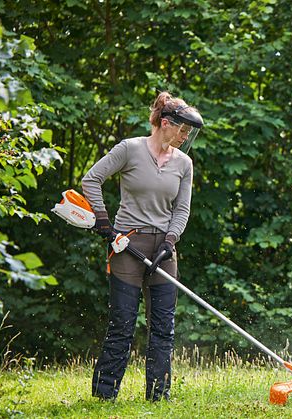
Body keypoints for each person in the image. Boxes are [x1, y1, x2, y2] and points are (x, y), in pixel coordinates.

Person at [82, 91, 203, 401]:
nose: (185, 136)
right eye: (183, 129)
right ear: (165, 123)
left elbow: (182, 210)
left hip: (164, 248)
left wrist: (170, 240)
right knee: (122, 323)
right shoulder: (130, 150)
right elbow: (91, 180)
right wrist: (104, 224)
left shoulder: (184, 164)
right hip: (126, 244)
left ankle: (158, 396)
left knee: (163, 328)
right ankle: (104, 395)